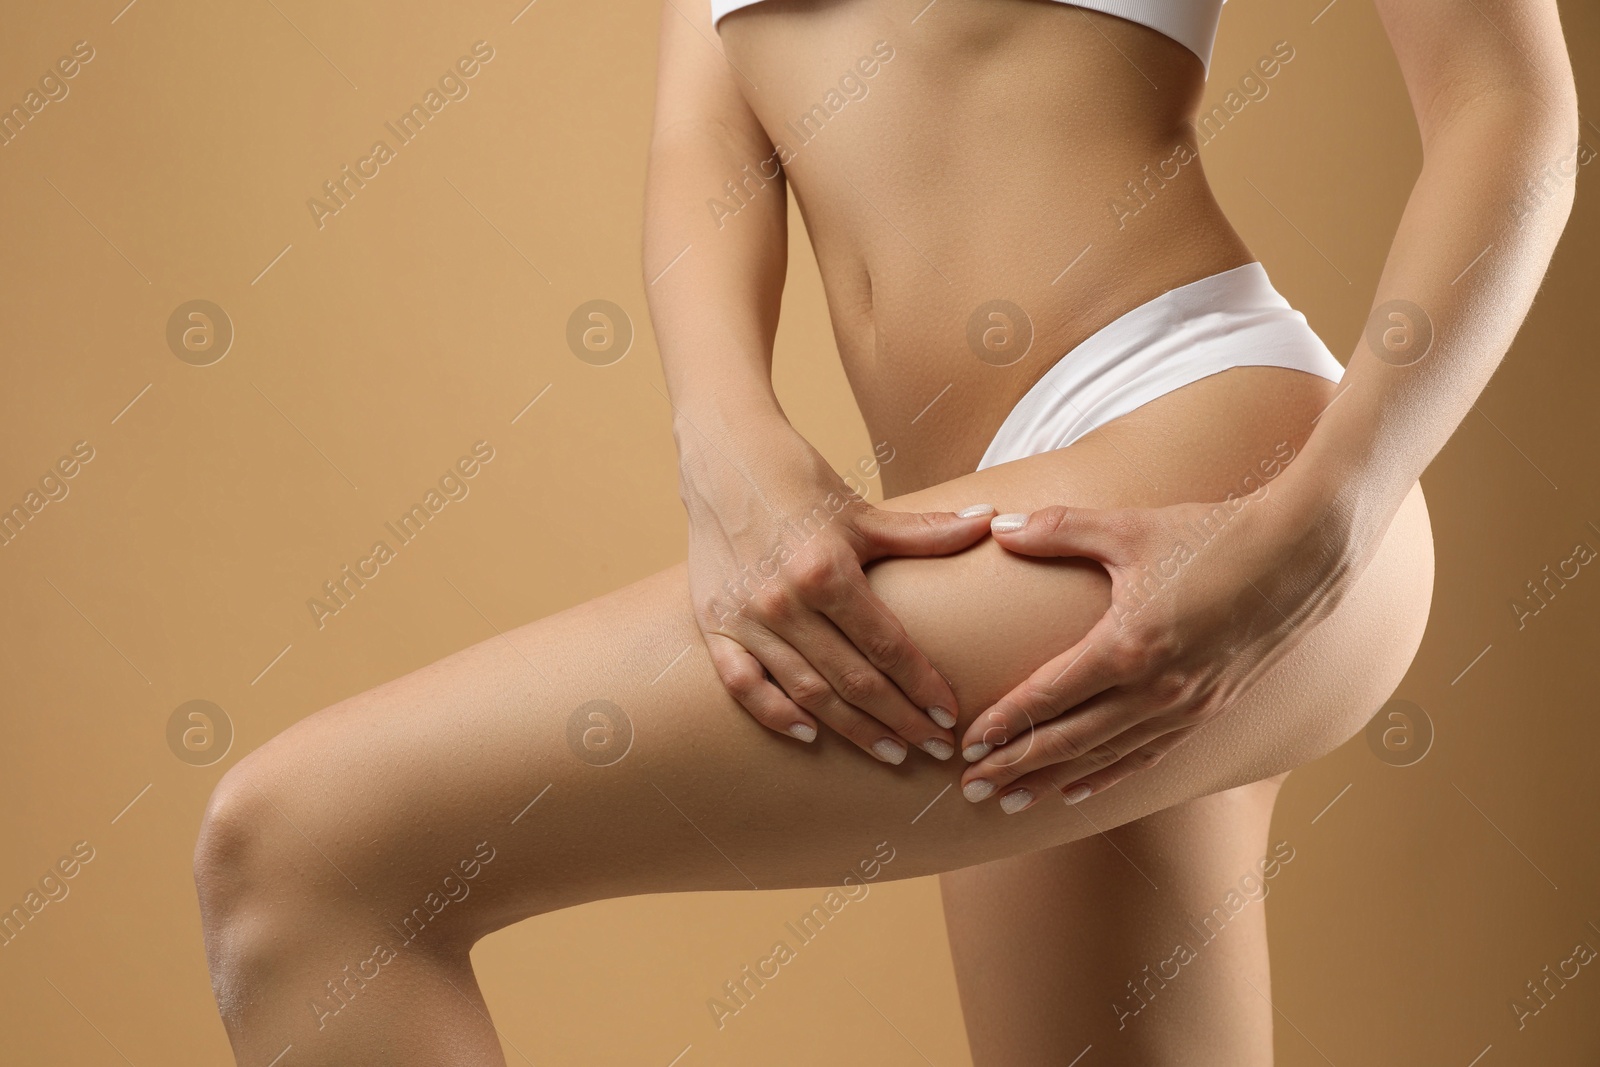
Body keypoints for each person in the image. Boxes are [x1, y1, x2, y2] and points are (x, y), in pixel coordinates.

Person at [193, 0, 1577, 1063]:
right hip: (983, 511)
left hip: (1198, 464)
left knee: (310, 849)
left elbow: (1510, 108)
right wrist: (725, 448)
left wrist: (1326, 512)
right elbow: (703, 142)